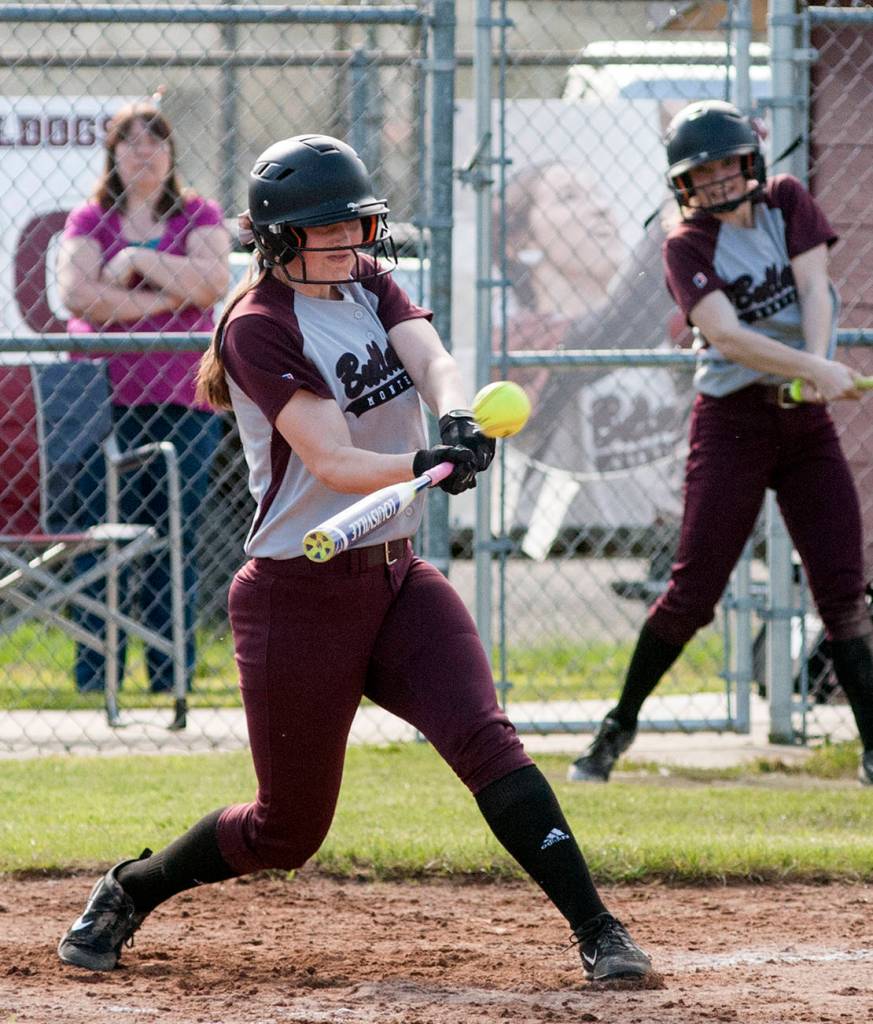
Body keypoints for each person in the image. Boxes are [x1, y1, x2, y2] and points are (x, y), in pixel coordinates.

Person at [56, 134, 652, 983]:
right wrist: (420, 463)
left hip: (397, 576)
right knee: (286, 831)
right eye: (327, 228)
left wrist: (455, 420)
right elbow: (331, 459)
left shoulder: (364, 281)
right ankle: (130, 889)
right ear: (278, 238)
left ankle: (599, 930)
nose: (351, 240)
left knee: (487, 742)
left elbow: (431, 359)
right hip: (295, 596)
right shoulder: (258, 326)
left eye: (356, 223)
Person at [568, 100, 873, 787]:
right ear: (683, 184)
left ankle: (872, 749)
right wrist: (814, 368)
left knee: (841, 591)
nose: (713, 181)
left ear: (750, 161)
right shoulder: (685, 244)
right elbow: (729, 337)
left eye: (724, 166)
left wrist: (816, 371)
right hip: (732, 422)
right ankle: (616, 728)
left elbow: (815, 289)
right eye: (698, 173)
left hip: (804, 423)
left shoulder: (785, 202)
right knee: (692, 593)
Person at [56, 100, 230, 694]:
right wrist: (168, 298)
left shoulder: (199, 213)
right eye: (130, 141)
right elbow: (78, 295)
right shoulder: (89, 219)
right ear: (113, 154)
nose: (143, 151)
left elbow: (213, 282)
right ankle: (95, 675)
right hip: (99, 403)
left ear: (171, 152)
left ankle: (168, 675)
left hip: (183, 404)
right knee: (99, 537)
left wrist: (134, 261)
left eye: (155, 140)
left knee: (172, 538)